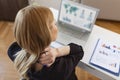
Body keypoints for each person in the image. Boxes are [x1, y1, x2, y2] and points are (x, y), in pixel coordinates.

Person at [7, 5, 84, 80]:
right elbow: (79, 51)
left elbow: (24, 38)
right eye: (54, 24)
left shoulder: (13, 51)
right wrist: (57, 51)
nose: (56, 25)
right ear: (46, 33)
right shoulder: (59, 68)